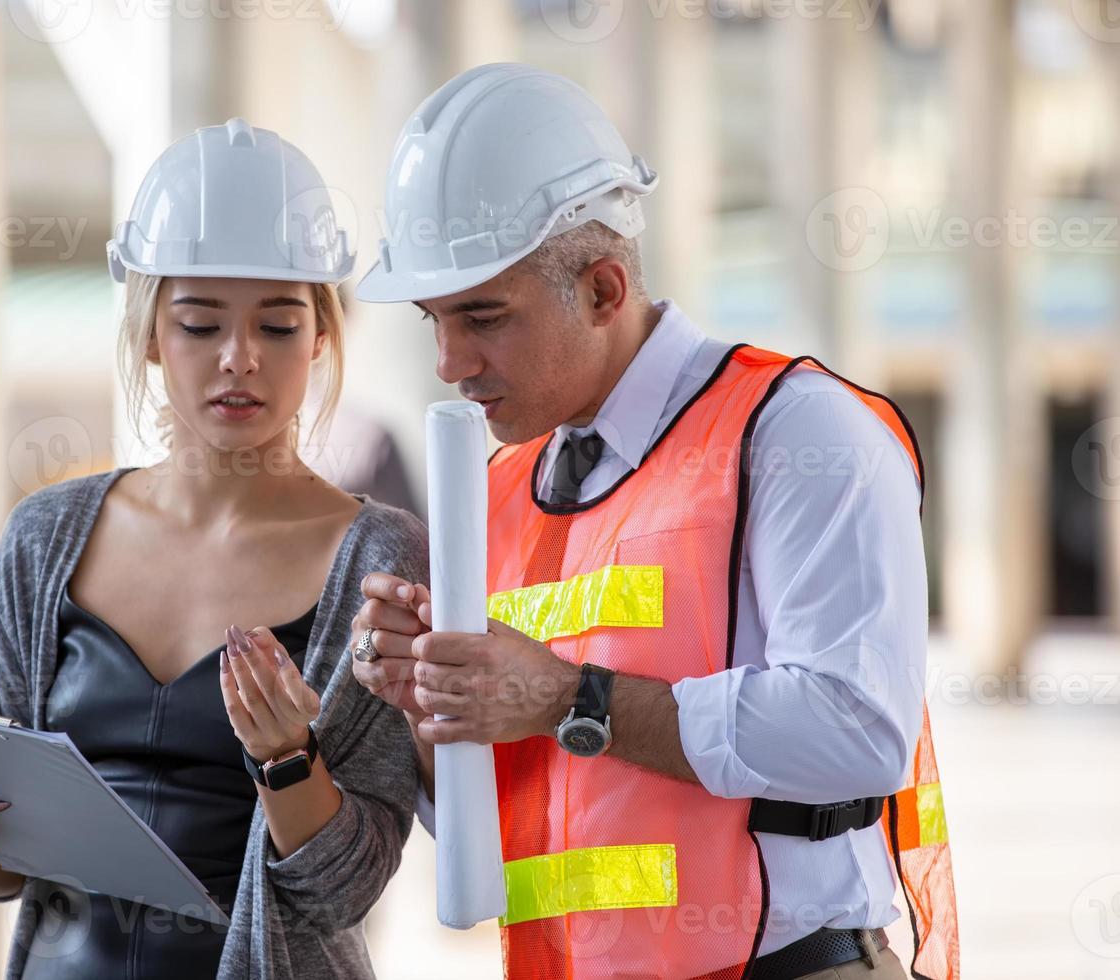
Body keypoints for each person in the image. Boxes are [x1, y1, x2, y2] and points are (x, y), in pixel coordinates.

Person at [350, 64, 958, 980]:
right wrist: (436, 702)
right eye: (436, 318)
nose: (449, 361)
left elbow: (857, 730)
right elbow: (531, 806)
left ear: (601, 289)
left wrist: (565, 698)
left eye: (483, 317)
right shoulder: (504, 489)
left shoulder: (794, 432)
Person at [0, 118, 426, 980]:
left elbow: (348, 894)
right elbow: (10, 862)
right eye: (200, 324)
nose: (240, 359)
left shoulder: (381, 558)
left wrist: (288, 762)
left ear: (322, 337)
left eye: (279, 327)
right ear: (149, 333)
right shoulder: (45, 538)